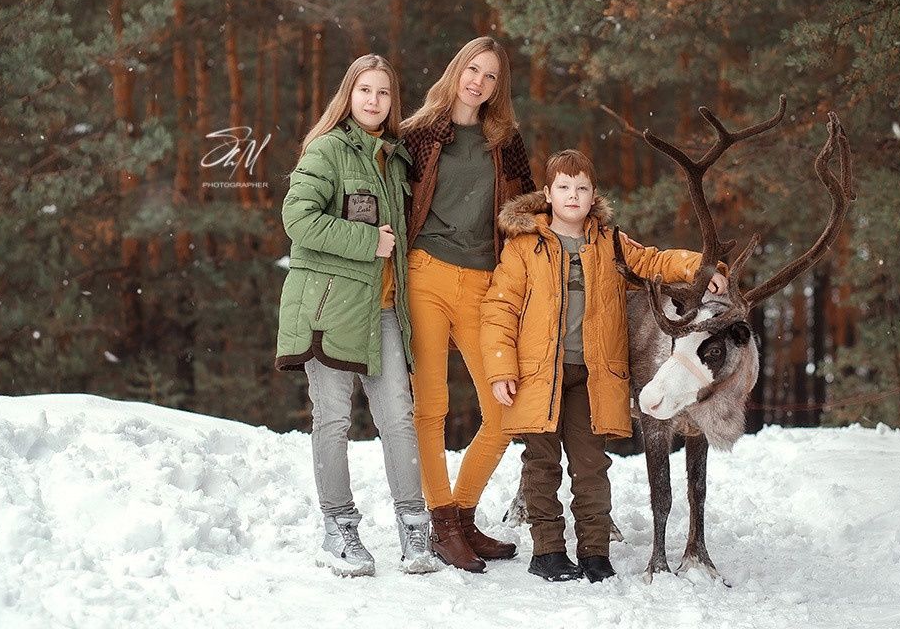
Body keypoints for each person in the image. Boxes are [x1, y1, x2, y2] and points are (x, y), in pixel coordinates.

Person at [481, 149, 727, 582]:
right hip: (539, 374)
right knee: (542, 465)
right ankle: (548, 552)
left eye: (581, 188)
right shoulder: (524, 247)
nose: (572, 195)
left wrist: (700, 267)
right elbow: (500, 309)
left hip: (594, 377)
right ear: (548, 193)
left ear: (593, 194)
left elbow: (654, 261)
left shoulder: (609, 242)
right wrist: (502, 368)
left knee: (591, 466)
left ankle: (594, 553)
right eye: (563, 188)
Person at [274, 54, 440, 577]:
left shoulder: (394, 158)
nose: (373, 100)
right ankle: (339, 528)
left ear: (394, 102)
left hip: (386, 309)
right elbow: (297, 219)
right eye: (364, 90)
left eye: (384, 93)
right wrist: (368, 241)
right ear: (349, 95)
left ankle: (415, 528)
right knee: (334, 419)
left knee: (398, 419)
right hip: (329, 309)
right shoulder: (326, 150)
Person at [400, 36, 535, 572]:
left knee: (505, 410)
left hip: (484, 282)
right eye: (472, 70)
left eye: (491, 76)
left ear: (499, 88)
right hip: (425, 275)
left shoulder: (506, 141)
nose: (478, 81)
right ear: (456, 70)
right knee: (430, 408)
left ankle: (461, 513)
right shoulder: (417, 134)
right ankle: (441, 525)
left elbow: (528, 209)